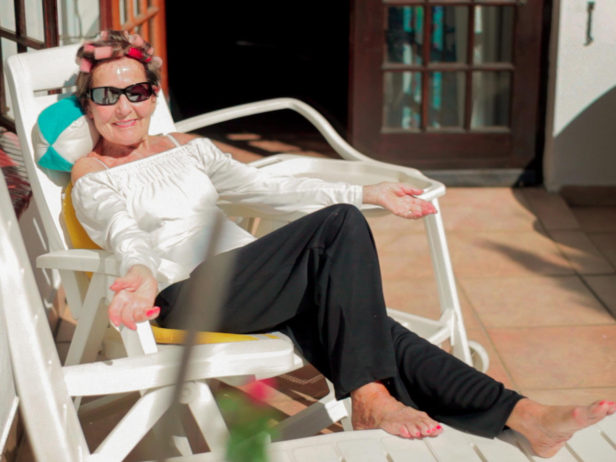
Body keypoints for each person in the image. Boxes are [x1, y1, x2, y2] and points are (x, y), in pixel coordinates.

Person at [70, 31, 614, 458]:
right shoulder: (92, 175)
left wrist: (367, 191)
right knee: (338, 229)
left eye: (136, 92)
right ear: (88, 105)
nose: (124, 108)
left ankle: (524, 416)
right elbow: (123, 231)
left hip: (250, 283)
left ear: (154, 95)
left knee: (371, 324)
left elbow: (269, 189)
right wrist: (141, 273)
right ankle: (369, 396)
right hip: (184, 296)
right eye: (106, 95)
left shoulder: (189, 149)